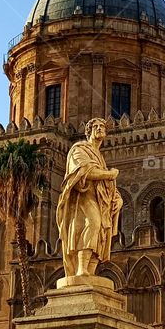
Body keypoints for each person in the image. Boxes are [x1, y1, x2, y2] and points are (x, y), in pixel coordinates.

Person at [55, 117, 122, 277]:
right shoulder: (79, 149)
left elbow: (107, 186)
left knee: (100, 233)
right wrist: (109, 174)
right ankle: (81, 268)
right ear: (88, 132)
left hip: (100, 200)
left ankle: (89, 272)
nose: (99, 128)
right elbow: (83, 171)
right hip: (84, 198)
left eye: (102, 126)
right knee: (93, 223)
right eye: (95, 126)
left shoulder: (99, 156)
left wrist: (118, 199)